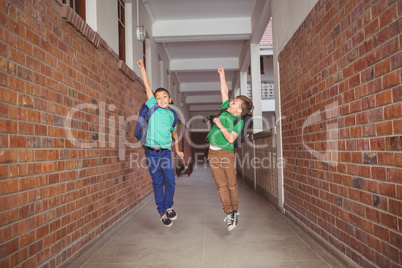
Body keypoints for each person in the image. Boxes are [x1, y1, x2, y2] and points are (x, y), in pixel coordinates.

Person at [136, 59, 184, 227]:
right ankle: (162, 212)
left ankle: (169, 206)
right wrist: (142, 68)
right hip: (151, 152)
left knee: (170, 180)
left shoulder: (172, 115)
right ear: (154, 100)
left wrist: (177, 150)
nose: (161, 99)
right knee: (157, 182)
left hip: (165, 152)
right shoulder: (153, 108)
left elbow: (174, 132)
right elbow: (147, 86)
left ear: (170, 99)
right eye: (158, 97)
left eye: (164, 96)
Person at [206, 66, 253, 231]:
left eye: (234, 103)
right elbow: (224, 91)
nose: (230, 102)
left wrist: (219, 124)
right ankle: (229, 213)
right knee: (221, 186)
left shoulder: (238, 122)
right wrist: (222, 75)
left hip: (226, 154)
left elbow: (231, 139)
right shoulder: (225, 109)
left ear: (239, 111)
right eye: (231, 101)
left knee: (231, 185)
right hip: (213, 153)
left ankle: (234, 210)